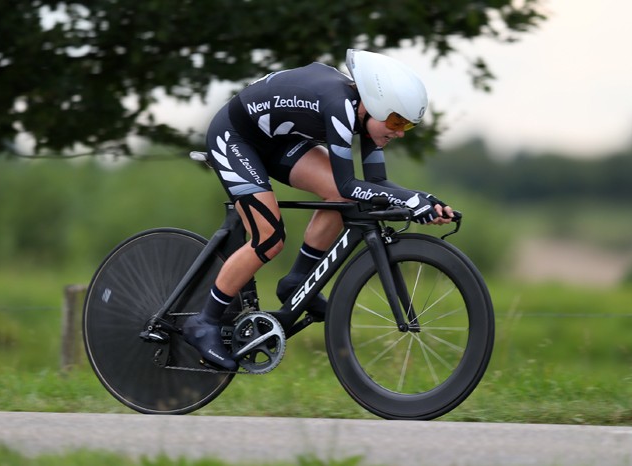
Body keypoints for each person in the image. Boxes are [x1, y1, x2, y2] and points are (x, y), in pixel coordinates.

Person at [183, 49, 455, 370]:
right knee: (269, 238)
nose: (398, 131)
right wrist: (409, 201)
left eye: (407, 126)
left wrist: (424, 198)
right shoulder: (339, 105)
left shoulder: (367, 117)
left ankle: (297, 281)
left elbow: (376, 181)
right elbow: (347, 182)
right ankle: (203, 322)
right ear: (373, 104)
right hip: (235, 137)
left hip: (277, 141)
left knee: (345, 200)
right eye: (396, 120)